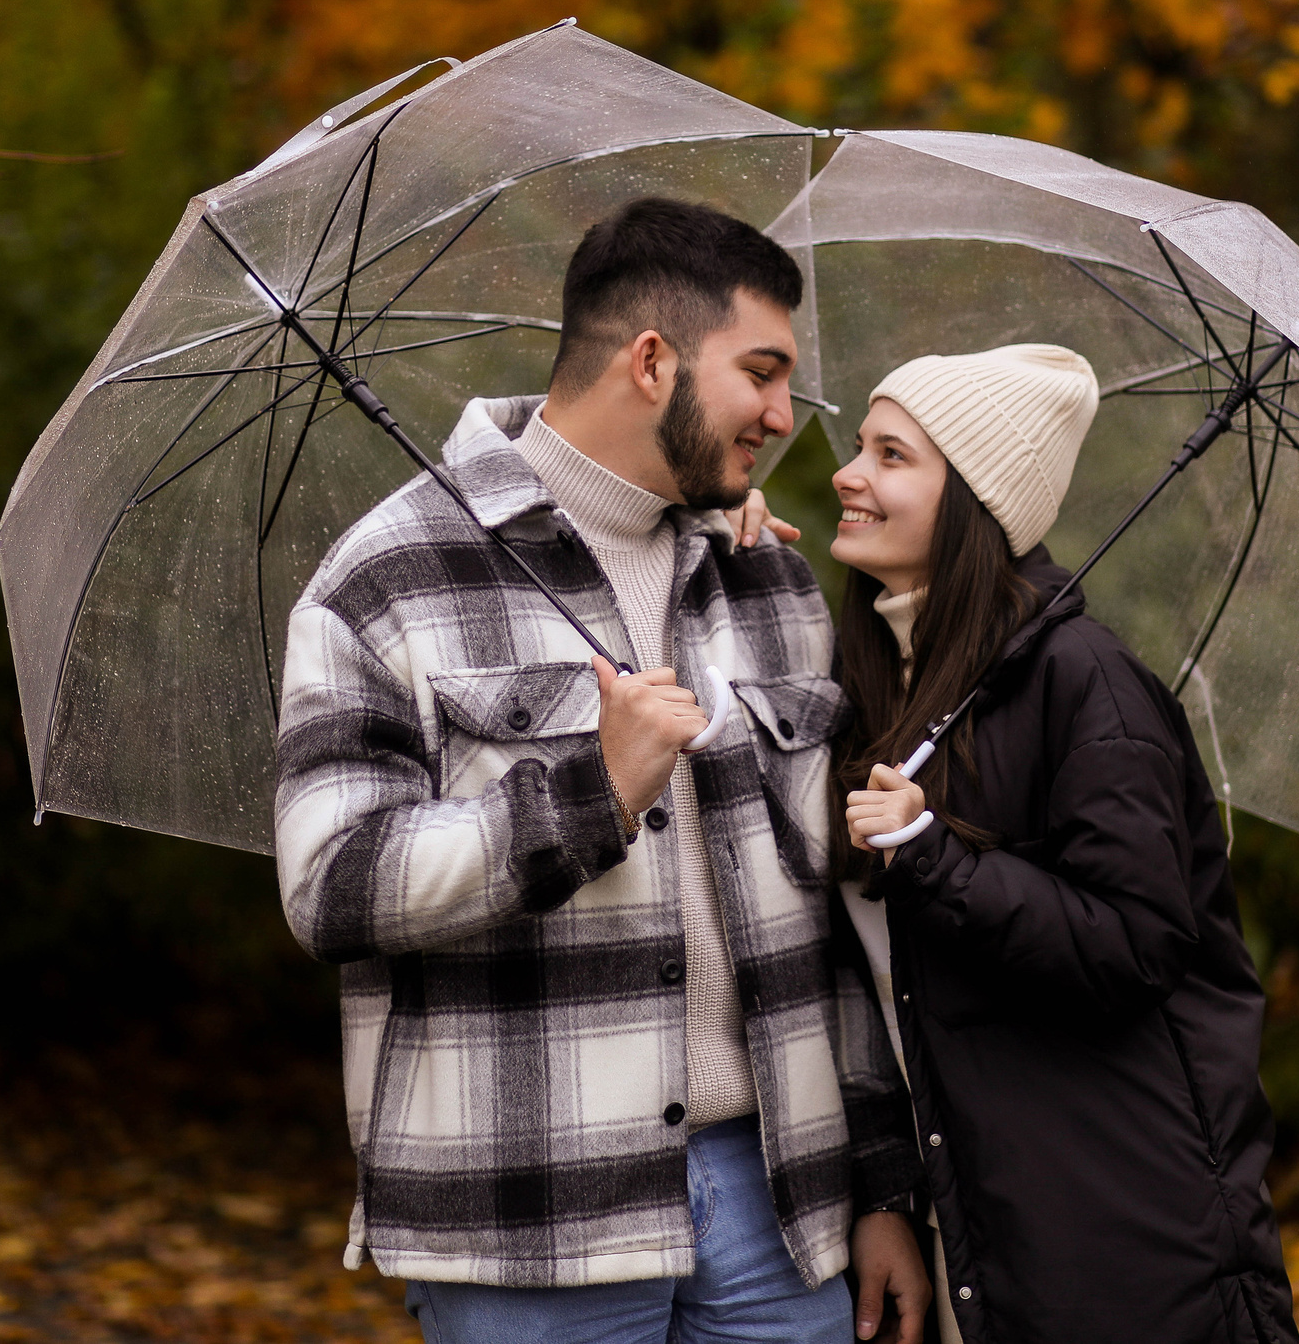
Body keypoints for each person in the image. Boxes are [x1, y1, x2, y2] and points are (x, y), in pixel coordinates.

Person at [275, 198, 932, 1344]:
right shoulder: (386, 579)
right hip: (530, 1220)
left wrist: (880, 1184)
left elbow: (830, 921)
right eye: (763, 374)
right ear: (650, 361)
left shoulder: (763, 578)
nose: (786, 416)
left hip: (778, 1206)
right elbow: (332, 886)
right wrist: (593, 792)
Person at [825, 344, 1299, 1344]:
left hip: (1125, 1235)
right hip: (984, 1221)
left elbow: (1134, 946)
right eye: (858, 446)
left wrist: (931, 854)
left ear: (973, 503)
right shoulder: (890, 677)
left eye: (891, 455)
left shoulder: (1085, 683)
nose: (847, 472)